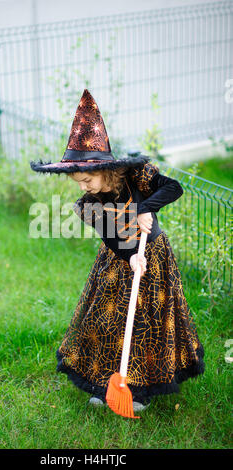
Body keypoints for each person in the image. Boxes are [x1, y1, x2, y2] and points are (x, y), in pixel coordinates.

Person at [30, 89, 205, 413]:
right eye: (77, 181)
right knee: (106, 321)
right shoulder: (88, 205)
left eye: (86, 179)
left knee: (144, 321)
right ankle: (104, 381)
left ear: (103, 169)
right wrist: (129, 256)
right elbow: (111, 237)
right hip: (117, 260)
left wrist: (146, 209)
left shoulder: (136, 175)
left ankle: (140, 390)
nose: (83, 187)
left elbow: (173, 188)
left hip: (152, 254)